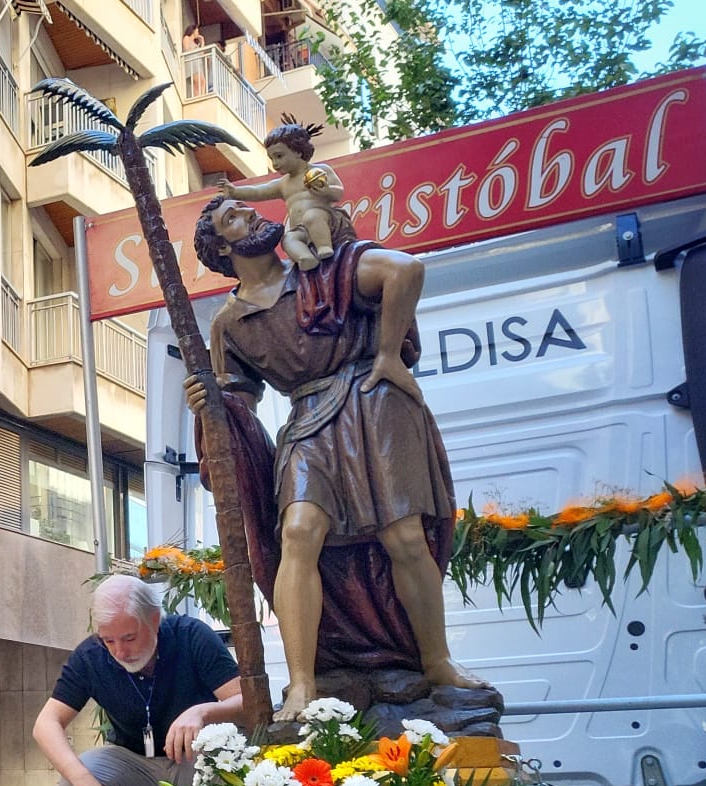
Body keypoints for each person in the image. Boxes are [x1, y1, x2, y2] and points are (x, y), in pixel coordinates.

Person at [188, 193, 489, 723]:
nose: (251, 214)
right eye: (231, 217)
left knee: (404, 536)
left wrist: (389, 354)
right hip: (307, 419)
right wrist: (210, 405)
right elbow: (239, 401)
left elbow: (405, 270)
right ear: (221, 249)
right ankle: (303, 685)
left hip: (373, 401)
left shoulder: (326, 269)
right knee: (298, 534)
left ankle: (437, 662)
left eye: (245, 207)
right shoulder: (229, 323)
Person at [34, 575, 245, 786]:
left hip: (196, 762)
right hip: (137, 766)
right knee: (71, 784)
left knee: (232, 761)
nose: (120, 651)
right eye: (108, 640)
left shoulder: (191, 635)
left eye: (129, 638)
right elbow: (45, 724)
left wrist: (203, 712)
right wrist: (82, 780)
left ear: (154, 620)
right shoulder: (90, 656)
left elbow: (248, 703)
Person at [221, 116, 344, 271]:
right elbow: (258, 192)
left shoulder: (320, 171)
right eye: (271, 158)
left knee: (312, 216)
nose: (275, 163)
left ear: (298, 152)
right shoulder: (284, 183)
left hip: (324, 221)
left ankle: (324, 247)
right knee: (288, 239)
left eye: (279, 156)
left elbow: (339, 193)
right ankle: (305, 257)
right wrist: (235, 192)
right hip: (300, 229)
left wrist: (327, 191)